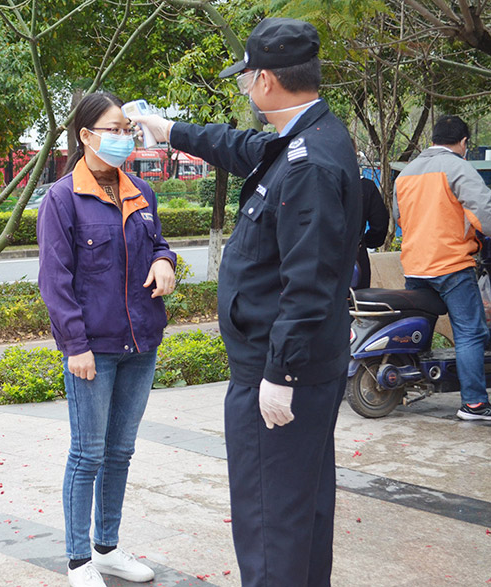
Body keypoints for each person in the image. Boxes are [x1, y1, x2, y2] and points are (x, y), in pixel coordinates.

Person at [133, 17, 361, 586]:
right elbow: (243, 148)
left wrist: (280, 372)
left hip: (279, 370)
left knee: (269, 522)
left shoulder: (308, 164)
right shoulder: (312, 136)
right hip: (299, 363)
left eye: (245, 79)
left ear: (264, 81)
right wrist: (168, 130)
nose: (244, 89)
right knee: (300, 510)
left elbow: (309, 282)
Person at [37, 92, 177, 587]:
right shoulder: (61, 199)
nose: (123, 138)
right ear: (86, 136)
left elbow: (157, 241)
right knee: (88, 453)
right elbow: (55, 281)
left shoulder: (140, 190)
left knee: (121, 451)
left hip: (141, 343)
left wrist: (165, 261)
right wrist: (75, 345)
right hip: (93, 349)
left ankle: (108, 547)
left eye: (127, 129)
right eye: (113, 129)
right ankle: (78, 560)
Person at [394, 115, 491, 421]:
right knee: (470, 333)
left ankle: (400, 385)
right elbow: (484, 215)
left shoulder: (405, 174)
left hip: (414, 266)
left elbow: (399, 218)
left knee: (417, 333)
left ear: (432, 140)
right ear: (463, 143)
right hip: (451, 266)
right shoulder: (459, 168)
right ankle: (475, 403)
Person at [354, 176, 390, 289]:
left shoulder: (316, 181)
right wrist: (367, 242)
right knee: (356, 303)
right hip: (356, 256)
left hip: (318, 258)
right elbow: (380, 225)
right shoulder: (365, 186)